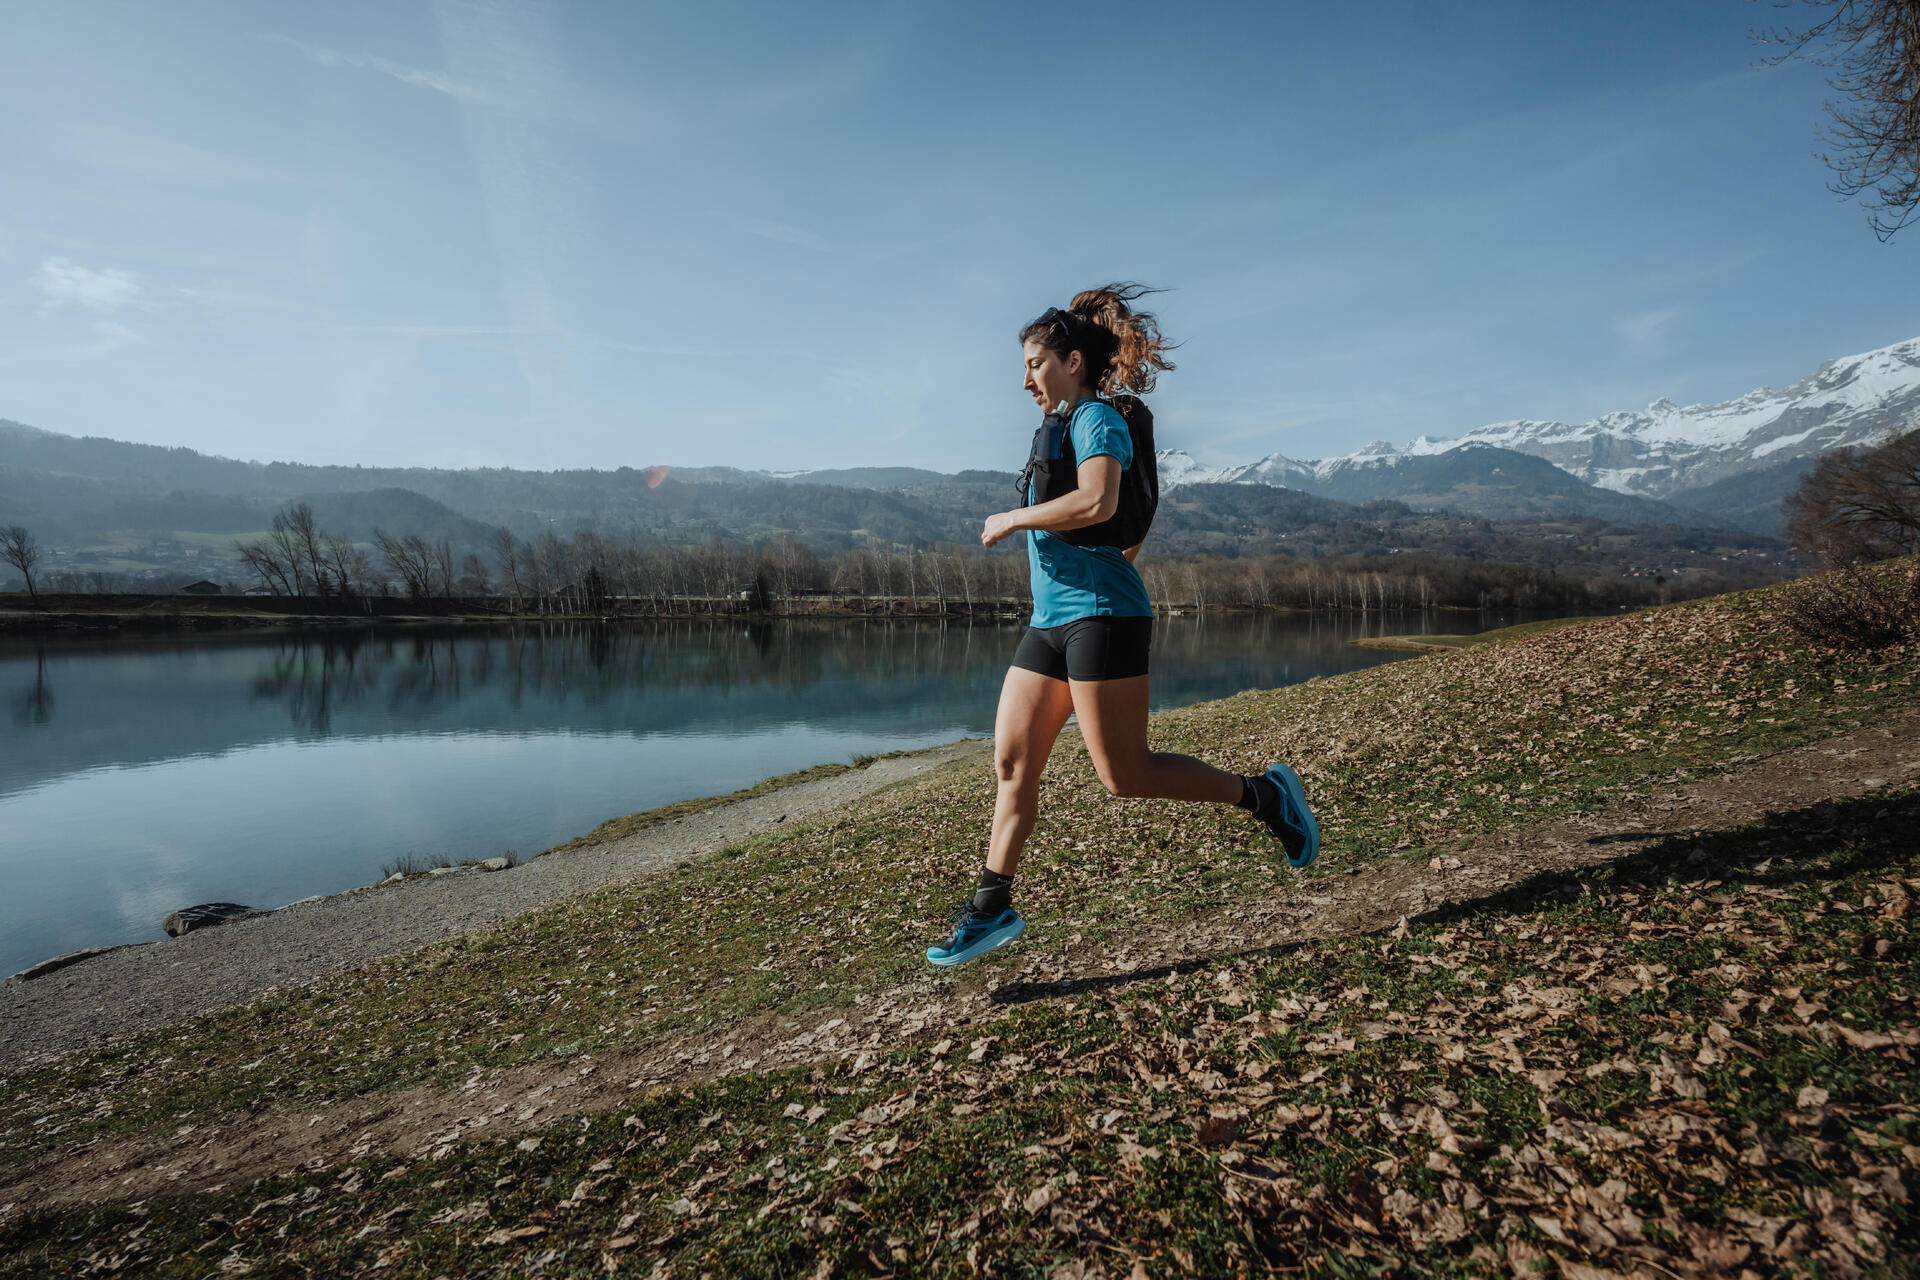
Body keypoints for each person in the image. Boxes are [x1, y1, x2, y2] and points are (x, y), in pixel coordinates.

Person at [926, 283, 1320, 968]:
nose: (1025, 381)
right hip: (1051, 620)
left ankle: (1265, 796)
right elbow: (1116, 522)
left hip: (1103, 619)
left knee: (1125, 773)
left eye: (1034, 364)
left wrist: (1015, 518)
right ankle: (991, 910)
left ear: (1073, 361)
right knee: (1013, 762)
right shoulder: (1058, 426)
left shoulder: (1097, 420)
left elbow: (1099, 498)